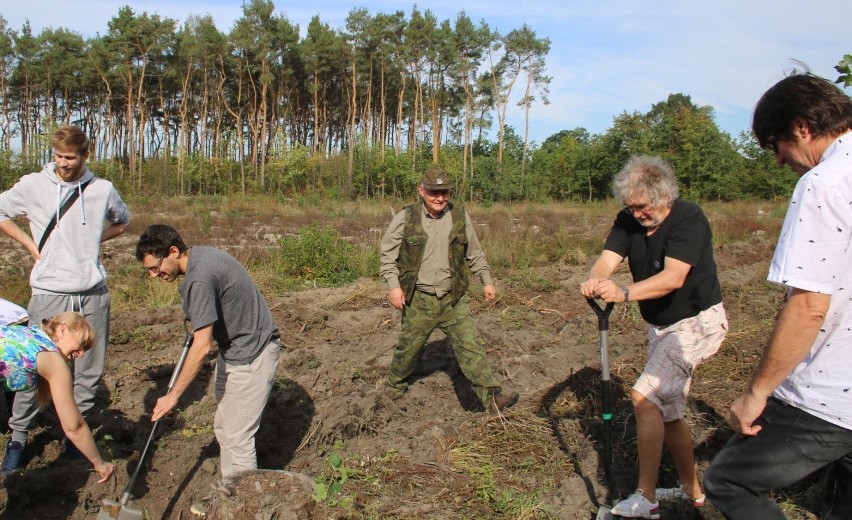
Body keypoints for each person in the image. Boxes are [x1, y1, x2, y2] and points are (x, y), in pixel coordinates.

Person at [703, 74, 852, 519]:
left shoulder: (825, 183)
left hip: (833, 392)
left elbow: (807, 307)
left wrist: (757, 392)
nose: (779, 160)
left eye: (776, 145)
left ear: (802, 127)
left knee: (729, 480)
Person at [580, 155, 728, 519]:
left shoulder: (688, 218)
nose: (636, 214)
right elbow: (607, 258)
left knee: (644, 398)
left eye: (642, 207)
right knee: (670, 413)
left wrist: (625, 293)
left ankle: (646, 498)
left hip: (696, 323)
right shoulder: (628, 219)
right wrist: (597, 279)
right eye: (630, 207)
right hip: (662, 327)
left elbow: (674, 277)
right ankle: (692, 493)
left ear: (663, 196)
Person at [0, 125, 129, 474]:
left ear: (86, 155)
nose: (62, 163)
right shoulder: (33, 185)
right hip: (49, 292)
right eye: (58, 156)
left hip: (92, 293)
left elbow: (123, 220)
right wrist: (28, 244)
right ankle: (19, 436)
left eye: (70, 158)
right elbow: (1, 212)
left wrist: (91, 244)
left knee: (89, 370)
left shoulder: (102, 190)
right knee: (32, 370)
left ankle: (75, 436)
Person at [135, 224, 281, 515]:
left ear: (173, 251)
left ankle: (243, 508)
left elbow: (202, 347)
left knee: (238, 437)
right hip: (235, 349)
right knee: (225, 427)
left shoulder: (199, 279)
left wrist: (173, 395)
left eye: (155, 267)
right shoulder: (200, 258)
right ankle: (228, 495)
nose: (154, 275)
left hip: (252, 354)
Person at [379, 166, 518, 413]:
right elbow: (387, 257)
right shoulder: (406, 217)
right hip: (419, 299)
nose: (440, 198)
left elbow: (474, 252)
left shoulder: (460, 217)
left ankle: (491, 397)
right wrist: (394, 287)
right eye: (434, 192)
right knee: (408, 349)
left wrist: (486, 280)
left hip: (453, 299)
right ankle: (393, 389)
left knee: (469, 345)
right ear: (422, 191)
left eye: (445, 192)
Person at [0, 312, 114, 482]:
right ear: (62, 330)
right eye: (81, 344)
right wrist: (99, 463)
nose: (82, 354)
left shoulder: (29, 334)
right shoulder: (53, 360)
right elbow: (74, 427)